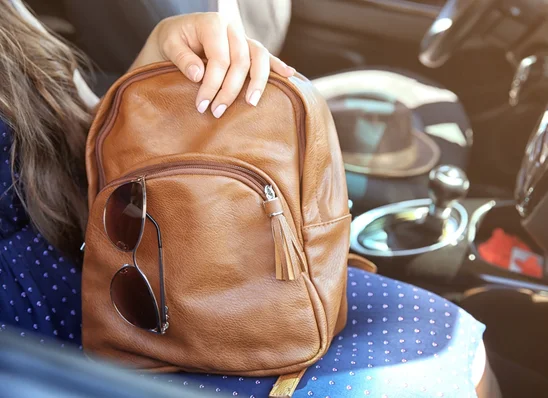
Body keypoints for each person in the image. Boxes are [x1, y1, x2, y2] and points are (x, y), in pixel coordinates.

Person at [0, 1, 497, 396]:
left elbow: (86, 147)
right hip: (44, 350)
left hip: (118, 257)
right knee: (437, 361)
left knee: (453, 334)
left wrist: (151, 64)